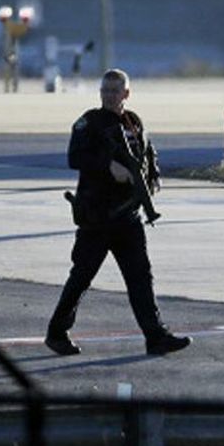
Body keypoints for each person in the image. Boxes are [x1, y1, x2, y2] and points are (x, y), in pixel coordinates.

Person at [45, 69, 193, 357]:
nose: (109, 95)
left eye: (115, 90)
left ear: (127, 94)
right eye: (105, 90)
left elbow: (148, 153)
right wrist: (107, 166)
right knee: (81, 277)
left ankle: (155, 335)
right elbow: (75, 157)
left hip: (128, 217)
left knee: (141, 277)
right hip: (97, 217)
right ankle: (56, 332)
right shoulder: (90, 122)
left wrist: (153, 177)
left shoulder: (134, 122)